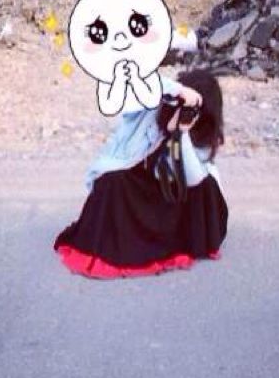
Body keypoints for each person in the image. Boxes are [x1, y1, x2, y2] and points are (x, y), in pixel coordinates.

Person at [53, 69, 228, 278]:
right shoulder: (152, 113)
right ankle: (119, 243)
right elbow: (134, 85)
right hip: (154, 190)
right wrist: (177, 94)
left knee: (206, 184)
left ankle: (188, 241)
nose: (188, 111)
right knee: (111, 181)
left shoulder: (204, 133)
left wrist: (181, 134)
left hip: (180, 204)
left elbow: (193, 180)